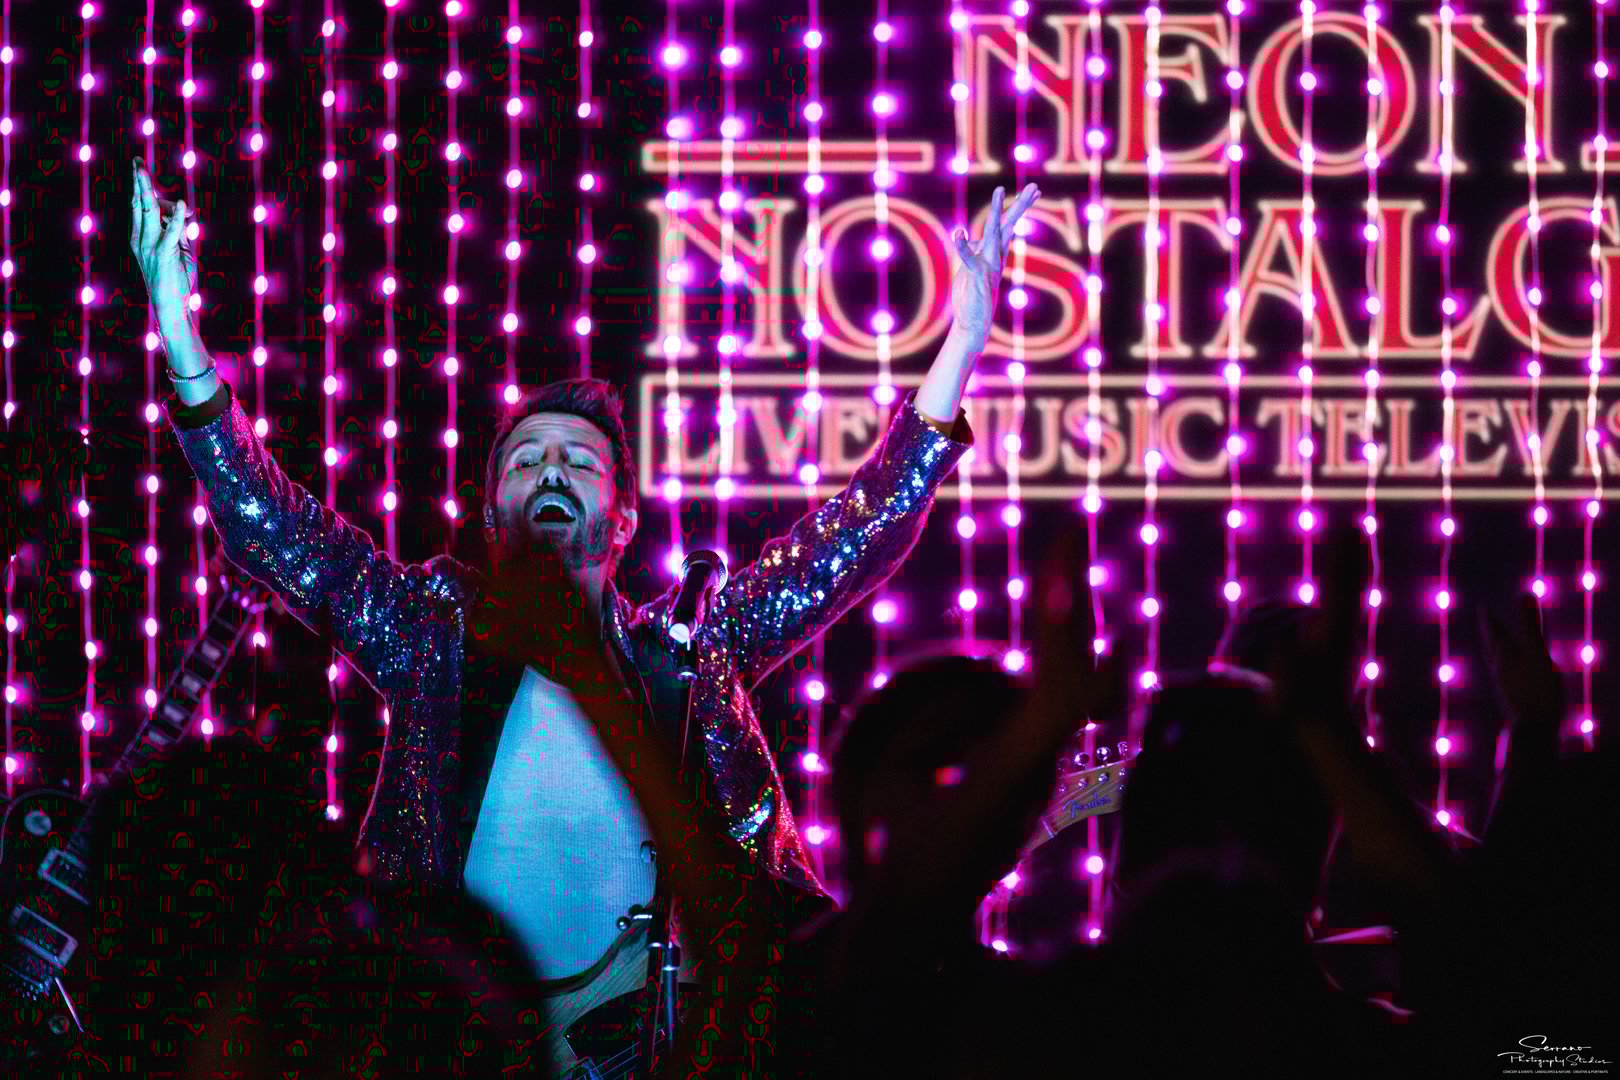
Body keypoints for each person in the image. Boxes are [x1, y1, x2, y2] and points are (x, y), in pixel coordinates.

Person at [130, 156, 1040, 1054]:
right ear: (492, 518)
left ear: (624, 520)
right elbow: (281, 535)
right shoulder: (430, 639)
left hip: (657, 1042)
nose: (552, 471)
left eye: (577, 460)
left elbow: (858, 536)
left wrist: (961, 346)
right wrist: (180, 338)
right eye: (526, 461)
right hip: (460, 1040)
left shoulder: (693, 651)